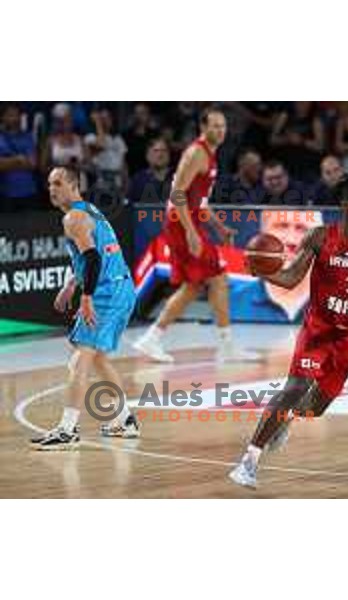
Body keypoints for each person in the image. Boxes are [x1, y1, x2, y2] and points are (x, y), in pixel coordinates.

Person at [229, 176, 348, 488]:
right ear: (345, 205)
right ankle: (249, 461)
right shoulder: (320, 237)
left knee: (315, 408)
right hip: (318, 330)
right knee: (295, 387)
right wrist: (261, 271)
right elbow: (293, 277)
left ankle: (288, 419)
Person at [133, 107, 254, 364]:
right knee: (218, 278)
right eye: (215, 126)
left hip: (186, 223)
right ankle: (226, 346)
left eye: (223, 126)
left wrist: (219, 227)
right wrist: (190, 232)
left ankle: (152, 338)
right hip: (180, 224)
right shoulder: (196, 153)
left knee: (193, 286)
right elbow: (176, 194)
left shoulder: (211, 155)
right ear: (203, 128)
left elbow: (199, 201)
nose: (220, 131)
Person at [31, 166, 139, 449]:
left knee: (79, 360)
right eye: (49, 184)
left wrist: (86, 297)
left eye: (57, 183)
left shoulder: (73, 218)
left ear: (72, 185)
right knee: (97, 359)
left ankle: (67, 430)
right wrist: (70, 285)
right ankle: (124, 420)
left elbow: (93, 260)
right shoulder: (88, 210)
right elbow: (91, 255)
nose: (51, 189)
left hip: (107, 292)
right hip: (122, 287)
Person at [229, 210, 323, 323]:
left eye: (302, 229)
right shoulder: (230, 304)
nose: (291, 240)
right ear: (261, 235)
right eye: (281, 227)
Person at [0, 103, 39, 211]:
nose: (14, 118)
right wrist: (19, 160)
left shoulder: (28, 136)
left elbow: (33, 164)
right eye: (10, 115)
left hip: (29, 192)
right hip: (6, 193)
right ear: (3, 117)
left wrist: (7, 162)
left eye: (17, 115)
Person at [127, 137, 173, 205]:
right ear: (147, 156)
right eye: (156, 151)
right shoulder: (139, 179)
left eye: (164, 150)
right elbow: (130, 206)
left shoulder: (178, 177)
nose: (160, 155)